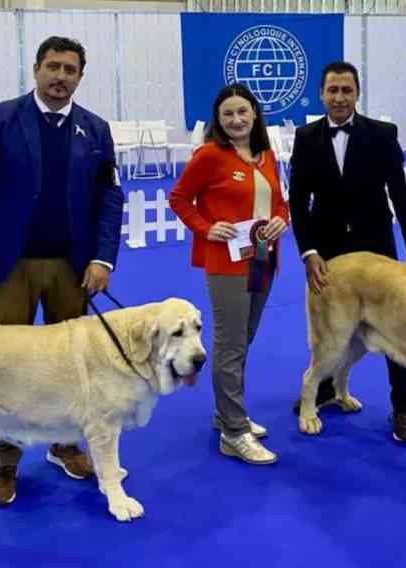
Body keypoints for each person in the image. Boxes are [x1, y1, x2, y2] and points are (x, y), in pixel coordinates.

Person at [0, 36, 123, 505]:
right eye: (53, 66)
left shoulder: (97, 130)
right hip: (6, 267)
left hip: (73, 267)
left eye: (70, 69)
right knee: (2, 368)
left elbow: (109, 197)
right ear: (36, 69)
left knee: (73, 366)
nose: (60, 76)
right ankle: (5, 462)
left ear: (80, 76)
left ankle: (63, 443)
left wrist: (102, 258)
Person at [288, 61, 406, 443]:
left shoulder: (383, 134)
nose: (339, 97)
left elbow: (401, 195)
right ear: (321, 94)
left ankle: (403, 408)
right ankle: (322, 389)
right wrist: (308, 251)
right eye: (332, 90)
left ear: (357, 93)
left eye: (346, 90)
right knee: (330, 332)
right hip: (328, 253)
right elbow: (298, 203)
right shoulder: (305, 138)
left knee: (396, 329)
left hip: (377, 247)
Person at [170, 84, 289, 465]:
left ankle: (226, 413)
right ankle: (233, 432)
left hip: (264, 260)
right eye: (228, 115)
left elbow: (280, 204)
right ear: (219, 121)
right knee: (230, 344)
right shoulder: (209, 155)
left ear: (254, 113)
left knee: (244, 338)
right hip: (226, 266)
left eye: (242, 112)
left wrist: (280, 223)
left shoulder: (266, 155)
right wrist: (206, 228)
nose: (236, 120)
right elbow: (178, 198)